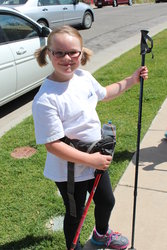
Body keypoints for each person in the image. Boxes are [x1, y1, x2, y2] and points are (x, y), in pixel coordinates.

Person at [32, 25, 148, 250]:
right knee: (75, 214)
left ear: (81, 53)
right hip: (69, 170)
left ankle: (101, 235)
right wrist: (92, 161)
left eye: (73, 52)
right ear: (49, 54)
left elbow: (105, 93)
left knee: (106, 201)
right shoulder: (46, 99)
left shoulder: (83, 77)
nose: (67, 58)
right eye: (59, 53)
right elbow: (53, 145)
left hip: (95, 158)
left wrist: (132, 79)